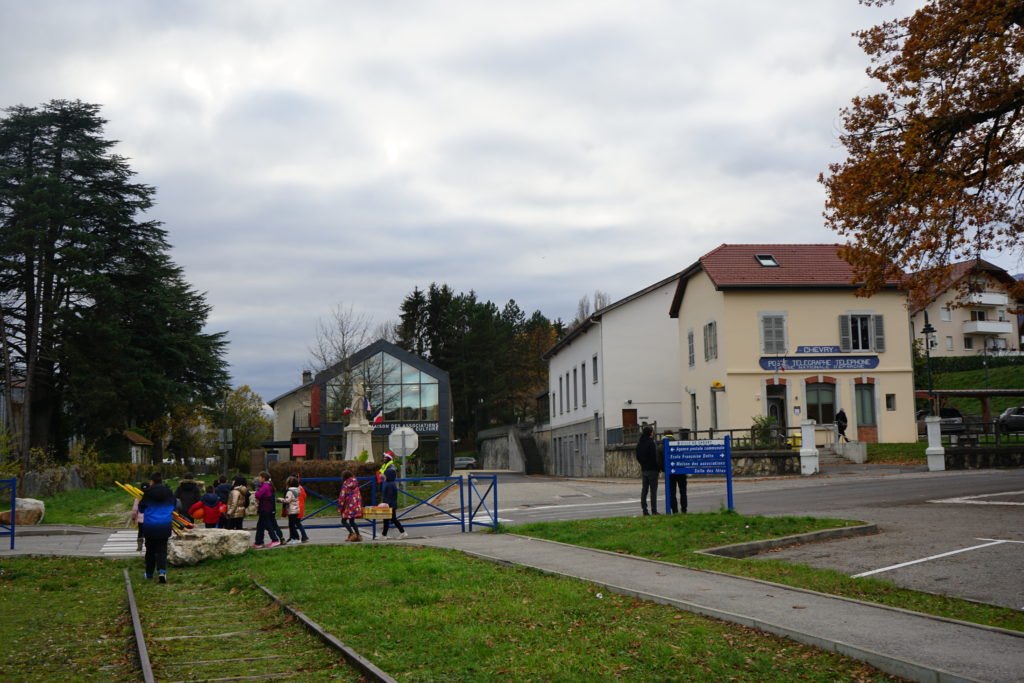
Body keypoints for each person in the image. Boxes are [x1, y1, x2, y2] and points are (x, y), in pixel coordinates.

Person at [138, 471, 175, 583]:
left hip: (150, 526)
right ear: (161, 480)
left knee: (150, 550)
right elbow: (174, 505)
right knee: (162, 550)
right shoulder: (168, 492)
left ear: (152, 481)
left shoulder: (148, 493)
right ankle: (162, 571)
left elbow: (141, 509)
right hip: (164, 525)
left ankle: (149, 574)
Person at [379, 453, 407, 540]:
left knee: (391, 519)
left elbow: (389, 496)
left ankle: (402, 532)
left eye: (385, 475)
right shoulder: (390, 483)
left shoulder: (389, 484)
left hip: (389, 504)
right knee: (388, 519)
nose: (383, 475)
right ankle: (384, 535)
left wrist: (385, 504)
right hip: (390, 504)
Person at [253, 471, 283, 548]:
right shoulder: (269, 485)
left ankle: (275, 540)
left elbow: (258, 495)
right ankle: (258, 542)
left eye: (259, 477)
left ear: (263, 478)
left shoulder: (265, 486)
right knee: (260, 525)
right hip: (268, 508)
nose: (258, 478)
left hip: (265, 508)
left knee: (268, 525)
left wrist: (256, 492)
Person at [635, 425, 660, 515]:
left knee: (644, 490)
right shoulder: (651, 443)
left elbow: (637, 456)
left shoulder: (640, 443)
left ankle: (645, 510)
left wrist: (643, 464)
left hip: (644, 469)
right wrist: (657, 468)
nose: (653, 433)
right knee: (653, 491)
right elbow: (654, 457)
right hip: (652, 470)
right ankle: (654, 510)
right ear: (650, 433)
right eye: (652, 432)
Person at [279, 476, 310, 543]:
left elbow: (287, 500)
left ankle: (297, 537)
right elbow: (304, 496)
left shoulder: (290, 491)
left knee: (293, 524)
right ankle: (298, 537)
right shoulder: (299, 489)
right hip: (299, 508)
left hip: (293, 509)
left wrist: (280, 499)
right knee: (296, 523)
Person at [663, 431, 687, 514]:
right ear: (672, 435)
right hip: (681, 471)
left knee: (672, 493)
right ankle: (684, 509)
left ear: (664, 436)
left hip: (670, 472)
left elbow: (659, 461)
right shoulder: (678, 444)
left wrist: (664, 469)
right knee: (683, 491)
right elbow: (684, 457)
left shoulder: (661, 446)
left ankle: (675, 510)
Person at [338, 470, 363, 542]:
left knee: (343, 520)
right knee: (352, 521)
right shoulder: (355, 482)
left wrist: (340, 507)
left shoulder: (346, 484)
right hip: (356, 504)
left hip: (348, 505)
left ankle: (352, 534)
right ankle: (358, 536)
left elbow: (342, 496)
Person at [130, 482, 149, 553]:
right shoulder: (152, 497)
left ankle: (139, 546)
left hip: (141, 519)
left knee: (140, 532)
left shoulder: (138, 498)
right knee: (148, 533)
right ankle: (148, 546)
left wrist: (133, 518)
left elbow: (135, 510)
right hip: (150, 519)